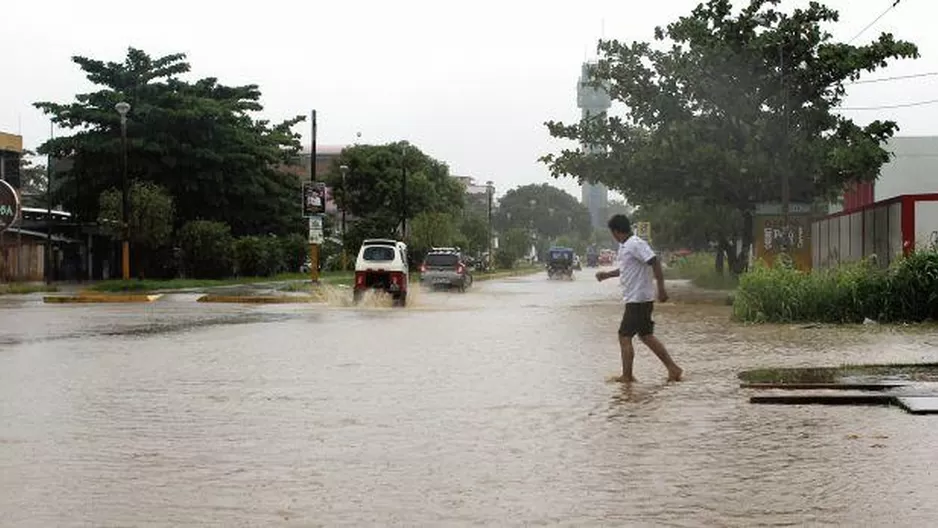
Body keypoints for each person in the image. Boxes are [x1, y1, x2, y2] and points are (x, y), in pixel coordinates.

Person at [596, 214, 683, 383]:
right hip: (636, 298)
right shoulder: (625, 246)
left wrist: (661, 288)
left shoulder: (635, 244)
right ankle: (673, 368)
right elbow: (627, 269)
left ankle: (627, 376)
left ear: (615, 231)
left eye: (611, 232)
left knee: (624, 336)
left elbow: (654, 261)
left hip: (638, 299)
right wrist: (607, 275)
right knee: (646, 335)